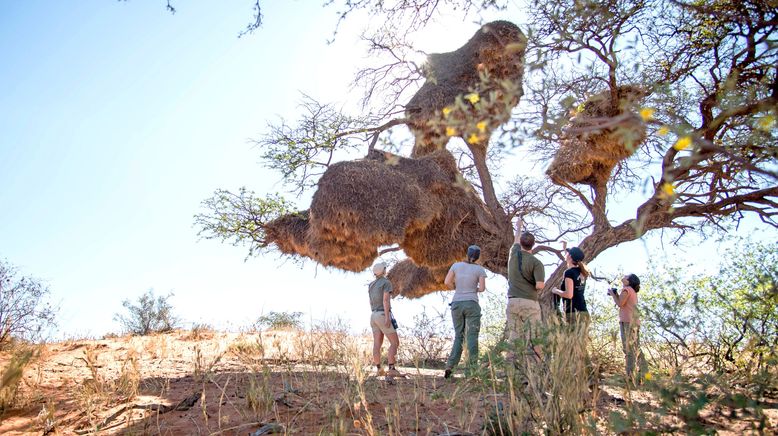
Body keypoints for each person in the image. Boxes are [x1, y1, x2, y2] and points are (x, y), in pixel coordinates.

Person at [443, 245, 487, 378]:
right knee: (472, 336)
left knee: (459, 335)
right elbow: (482, 288)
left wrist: (456, 288)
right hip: (471, 303)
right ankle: (471, 370)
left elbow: (447, 282)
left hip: (456, 303)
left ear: (467, 254)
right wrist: (474, 289)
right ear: (478, 256)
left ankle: (450, 366)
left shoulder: (456, 266)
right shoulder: (479, 269)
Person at [506, 216, 545, 359]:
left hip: (513, 302)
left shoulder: (513, 254)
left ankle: (510, 372)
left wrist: (519, 226)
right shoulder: (536, 263)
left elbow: (516, 239)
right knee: (535, 337)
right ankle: (537, 370)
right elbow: (540, 285)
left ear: (521, 243)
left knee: (514, 337)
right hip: (529, 302)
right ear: (533, 245)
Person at [609, 273, 648, 385]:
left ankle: (630, 377)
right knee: (636, 349)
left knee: (629, 350)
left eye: (626, 276)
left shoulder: (626, 289)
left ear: (629, 280)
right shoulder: (632, 291)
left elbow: (620, 303)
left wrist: (612, 294)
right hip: (634, 322)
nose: (624, 276)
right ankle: (646, 375)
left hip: (627, 322)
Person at [368, 261, 400, 377]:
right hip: (382, 314)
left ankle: (379, 369)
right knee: (395, 342)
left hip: (373, 315)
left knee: (377, 343)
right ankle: (391, 368)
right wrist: (387, 317)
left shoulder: (371, 285)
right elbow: (385, 300)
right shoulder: (386, 283)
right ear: (384, 271)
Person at [551, 241, 590, 328]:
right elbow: (571, 262)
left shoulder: (569, 273)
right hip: (583, 312)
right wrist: (565, 248)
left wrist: (556, 291)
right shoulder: (582, 272)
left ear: (570, 256)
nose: (566, 254)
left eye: (567, 253)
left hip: (573, 314)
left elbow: (569, 295)